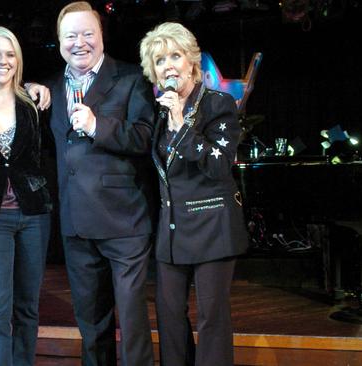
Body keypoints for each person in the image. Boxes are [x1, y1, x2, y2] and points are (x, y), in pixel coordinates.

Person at [46, 2, 156, 365]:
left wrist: (98, 126)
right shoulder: (50, 88)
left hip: (125, 222)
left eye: (88, 33)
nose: (80, 42)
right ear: (59, 41)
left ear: (101, 35)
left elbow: (144, 136)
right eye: (71, 35)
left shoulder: (130, 78)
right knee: (91, 323)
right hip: (76, 225)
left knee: (133, 319)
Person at [139, 22, 249, 366]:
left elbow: (219, 166)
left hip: (213, 224)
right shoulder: (157, 113)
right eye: (159, 60)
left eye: (175, 55)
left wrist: (181, 124)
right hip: (173, 229)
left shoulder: (218, 104)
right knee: (169, 315)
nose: (168, 65)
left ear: (191, 62)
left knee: (211, 318)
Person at [0, 26, 52, 366]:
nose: (3, 61)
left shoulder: (33, 102)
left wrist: (36, 87)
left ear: (18, 59)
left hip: (34, 214)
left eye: (10, 54)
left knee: (28, 307)